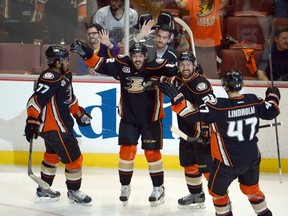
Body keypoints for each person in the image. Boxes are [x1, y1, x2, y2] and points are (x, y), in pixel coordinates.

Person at [70, 40, 178, 207]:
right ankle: (125, 187)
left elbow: (178, 74)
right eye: (134, 55)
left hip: (152, 119)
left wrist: (162, 81)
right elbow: (99, 65)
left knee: (152, 154)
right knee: (126, 152)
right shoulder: (122, 64)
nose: (137, 59)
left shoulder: (157, 66)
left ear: (145, 56)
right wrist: (86, 53)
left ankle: (158, 188)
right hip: (129, 119)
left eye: (140, 56)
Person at [159, 69, 280, 216]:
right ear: (241, 84)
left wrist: (177, 97)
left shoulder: (218, 106)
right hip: (252, 159)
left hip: (228, 163)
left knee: (216, 193)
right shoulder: (254, 100)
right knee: (252, 190)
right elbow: (272, 111)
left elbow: (189, 115)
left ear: (224, 86)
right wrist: (273, 96)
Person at [24, 45, 92, 205]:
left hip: (53, 129)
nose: (68, 62)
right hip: (56, 128)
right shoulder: (50, 77)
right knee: (75, 160)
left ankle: (43, 190)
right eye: (65, 59)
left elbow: (69, 97)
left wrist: (79, 113)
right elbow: (35, 100)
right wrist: (32, 121)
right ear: (57, 61)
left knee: (52, 156)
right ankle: (74, 192)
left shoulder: (65, 75)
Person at [165, 51, 215, 208]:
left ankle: (221, 200)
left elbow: (209, 108)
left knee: (207, 169)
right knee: (189, 164)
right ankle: (196, 195)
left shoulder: (201, 84)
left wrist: (206, 129)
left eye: (188, 64)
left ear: (194, 65)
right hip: (185, 133)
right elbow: (164, 79)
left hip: (201, 134)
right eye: (182, 64)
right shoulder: (177, 80)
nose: (185, 67)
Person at [175, 0, 229, 79]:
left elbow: (224, 2)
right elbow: (182, 5)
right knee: (195, 69)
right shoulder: (192, 1)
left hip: (211, 41)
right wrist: (178, 2)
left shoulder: (216, 1)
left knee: (210, 71)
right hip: (196, 41)